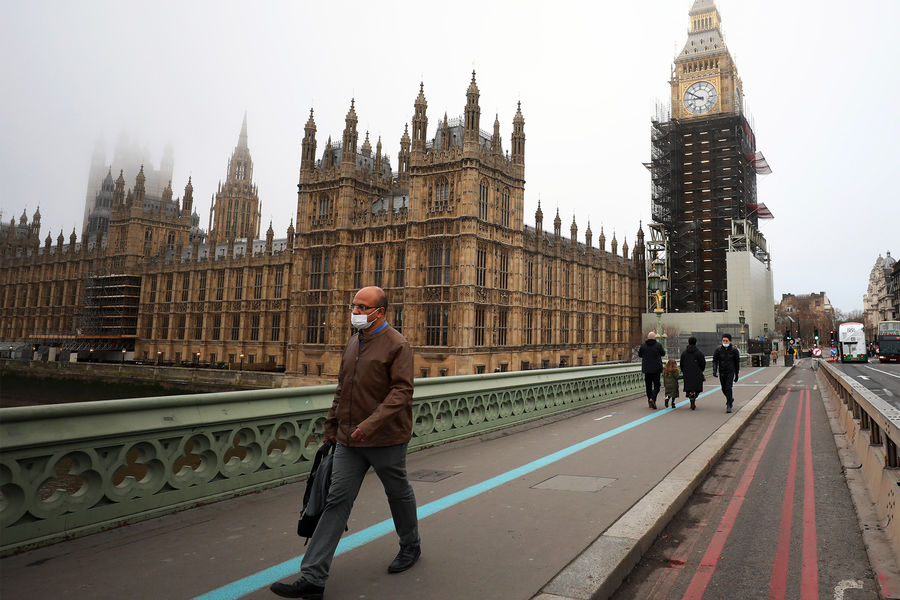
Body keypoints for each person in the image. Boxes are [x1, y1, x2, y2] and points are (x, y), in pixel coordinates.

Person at [271, 286, 420, 599]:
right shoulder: (354, 341)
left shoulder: (397, 344)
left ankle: (410, 546)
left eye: (363, 307)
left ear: (380, 312)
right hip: (348, 439)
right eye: (354, 305)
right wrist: (331, 424)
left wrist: (370, 425)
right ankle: (313, 578)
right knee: (336, 501)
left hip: (386, 438)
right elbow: (343, 388)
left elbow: (402, 392)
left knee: (398, 493)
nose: (356, 311)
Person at [712, 333, 740, 413]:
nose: (724, 342)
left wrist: (736, 374)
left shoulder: (734, 351)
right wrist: (714, 370)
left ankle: (729, 404)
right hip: (722, 372)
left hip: (730, 372)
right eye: (723, 340)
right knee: (723, 388)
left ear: (730, 341)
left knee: (728, 387)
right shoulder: (718, 350)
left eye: (726, 340)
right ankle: (730, 398)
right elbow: (715, 360)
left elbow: (737, 363)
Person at [638, 331, 666, 409]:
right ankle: (653, 399)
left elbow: (640, 355)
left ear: (647, 338)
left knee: (648, 386)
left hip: (646, 369)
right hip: (656, 369)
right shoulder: (658, 345)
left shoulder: (643, 345)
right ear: (655, 338)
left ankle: (649, 401)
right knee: (657, 385)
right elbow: (663, 353)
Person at [680, 337, 706, 410]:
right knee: (696, 388)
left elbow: (681, 364)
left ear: (688, 343)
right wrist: (701, 371)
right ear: (695, 343)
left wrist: (684, 371)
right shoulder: (699, 353)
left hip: (687, 373)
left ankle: (690, 395)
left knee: (688, 388)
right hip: (697, 373)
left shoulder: (684, 353)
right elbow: (703, 363)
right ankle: (694, 396)